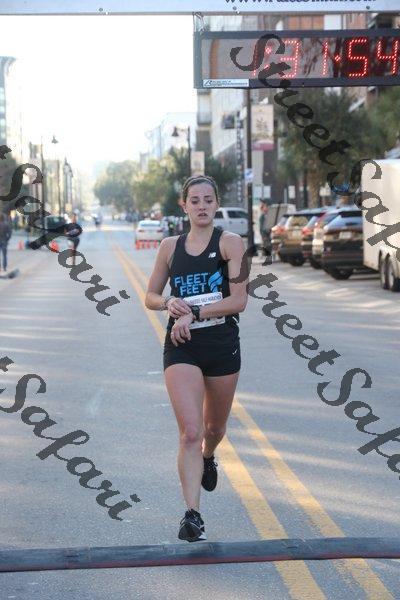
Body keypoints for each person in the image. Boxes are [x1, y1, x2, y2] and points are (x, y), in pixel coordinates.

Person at [145, 175, 248, 542]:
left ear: (216, 204)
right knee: (190, 431)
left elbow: (239, 300)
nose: (202, 205)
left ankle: (208, 455)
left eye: (208, 199)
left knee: (212, 430)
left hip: (221, 344)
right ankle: (193, 515)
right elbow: (150, 296)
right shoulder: (169, 247)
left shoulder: (231, 243)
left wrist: (195, 313)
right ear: (184, 205)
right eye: (195, 200)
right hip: (181, 345)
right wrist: (169, 302)